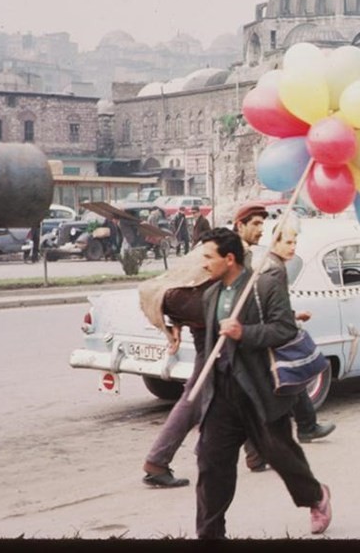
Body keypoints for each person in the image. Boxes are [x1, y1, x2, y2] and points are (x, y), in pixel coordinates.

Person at [194, 227, 331, 538]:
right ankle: (209, 534)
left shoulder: (264, 286)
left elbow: (285, 329)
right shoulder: (210, 295)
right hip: (222, 392)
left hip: (260, 390)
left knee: (280, 454)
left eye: (208, 257)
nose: (203, 263)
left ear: (229, 259)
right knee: (211, 463)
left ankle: (316, 496)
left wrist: (246, 333)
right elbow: (208, 345)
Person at [138, 246, 215, 488]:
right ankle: (158, 461)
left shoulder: (212, 246)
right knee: (197, 394)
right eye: (253, 223)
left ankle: (255, 454)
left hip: (211, 328)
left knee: (233, 390)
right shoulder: (229, 251)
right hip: (213, 331)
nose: (257, 229)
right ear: (242, 224)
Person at [262, 221, 336, 443]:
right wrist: (291, 321)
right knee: (291, 377)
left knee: (295, 378)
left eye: (295, 242)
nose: (293, 247)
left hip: (275, 328)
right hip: (274, 333)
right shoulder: (275, 269)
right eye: (288, 242)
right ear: (275, 242)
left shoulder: (273, 264)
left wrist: (294, 315)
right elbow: (273, 307)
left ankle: (307, 426)